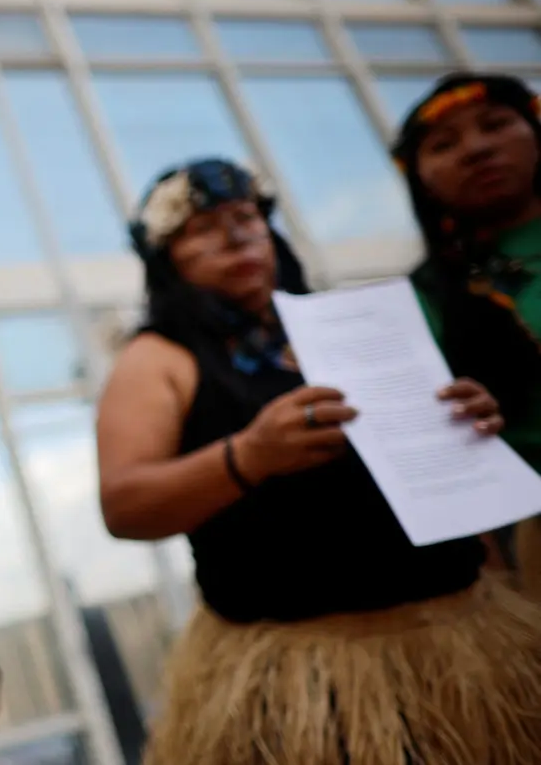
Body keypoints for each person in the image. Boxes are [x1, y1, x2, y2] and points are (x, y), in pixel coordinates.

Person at [95, 157, 541, 764]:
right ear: (166, 260)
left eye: (247, 218)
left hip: (459, 635)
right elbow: (125, 505)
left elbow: (434, 485)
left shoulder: (347, 327)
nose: (236, 237)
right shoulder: (157, 358)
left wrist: (463, 424)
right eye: (203, 229)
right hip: (304, 670)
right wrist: (248, 456)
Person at [393, 72, 541, 598]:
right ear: (420, 179)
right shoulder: (425, 299)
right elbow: (447, 451)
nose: (477, 149)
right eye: (444, 145)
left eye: (496, 125)